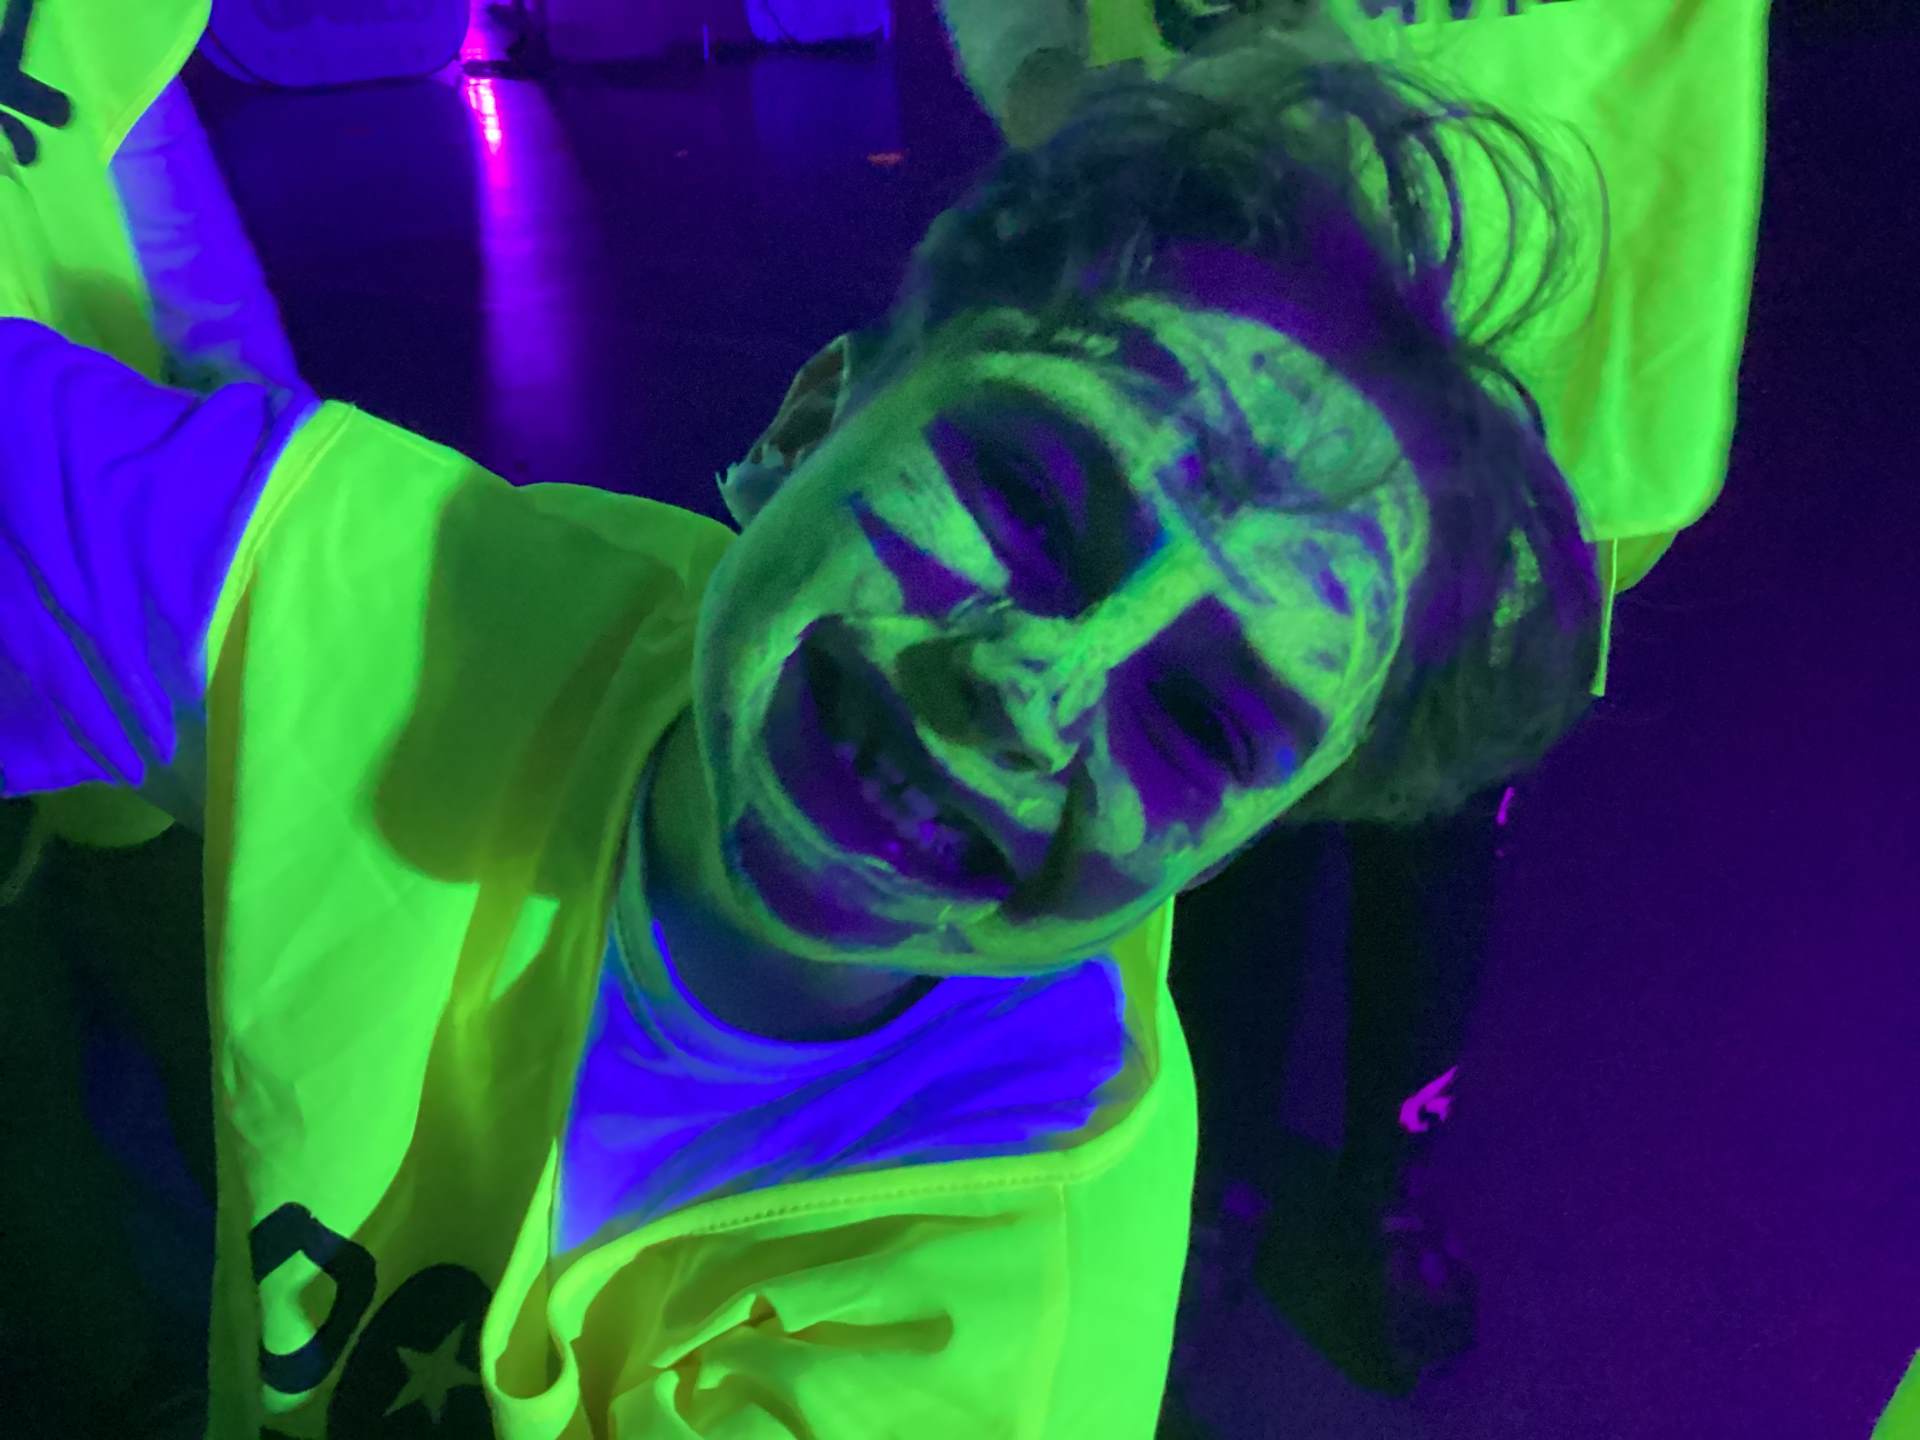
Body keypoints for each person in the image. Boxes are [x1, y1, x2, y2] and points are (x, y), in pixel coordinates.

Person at [3, 14, 1614, 1440]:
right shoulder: (416, 607)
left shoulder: (995, 1308)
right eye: (1024, 497)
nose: (1033, 687)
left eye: (1197, 722)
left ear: (1241, 846)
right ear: (808, 422)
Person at [840, 0, 1763, 1405]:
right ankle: (1204, 1170)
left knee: (1436, 821)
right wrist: (1033, 63)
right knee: (1205, 797)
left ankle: (1383, 1177)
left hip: (1520, 318)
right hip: (1201, 268)